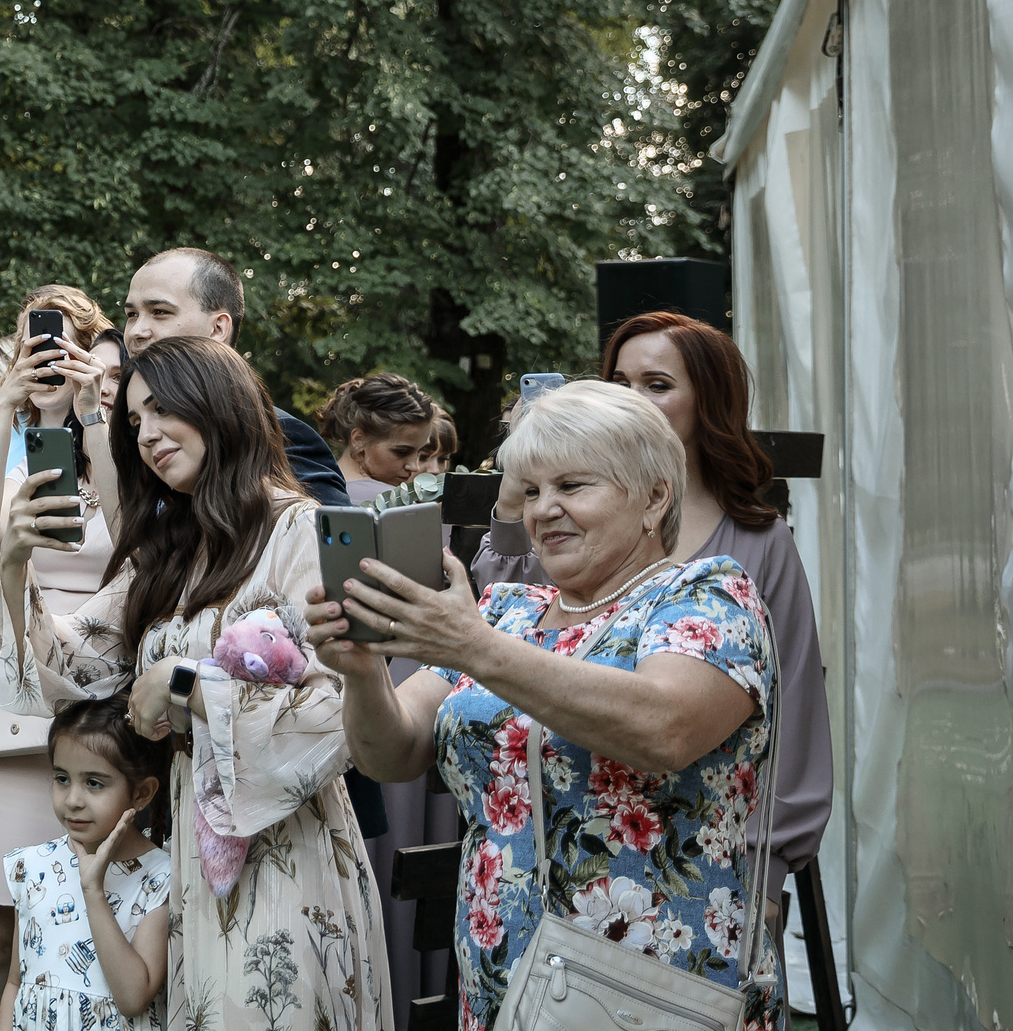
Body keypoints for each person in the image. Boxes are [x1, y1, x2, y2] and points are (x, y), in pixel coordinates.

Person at [314, 379, 783, 1031]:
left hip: (652, 991)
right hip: (503, 985)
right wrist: (362, 671)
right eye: (532, 490)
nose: (544, 509)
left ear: (654, 497)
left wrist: (475, 649)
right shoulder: (506, 609)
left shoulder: (706, 595)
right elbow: (391, 752)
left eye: (573, 485)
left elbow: (665, 725)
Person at [0, 336, 387, 1031]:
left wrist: (183, 686)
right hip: (189, 857)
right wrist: (17, 561)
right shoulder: (175, 550)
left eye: (159, 410)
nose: (145, 434)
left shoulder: (306, 532)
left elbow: (337, 715)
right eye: (133, 421)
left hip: (284, 855)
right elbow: (78, 665)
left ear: (219, 404)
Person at [472, 313, 832, 894]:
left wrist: (767, 866)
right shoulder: (571, 518)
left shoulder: (758, 542)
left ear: (707, 403)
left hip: (704, 872)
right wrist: (516, 500)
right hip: (550, 850)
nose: (632, 397)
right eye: (619, 382)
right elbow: (499, 607)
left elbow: (793, 703)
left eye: (657, 384)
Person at [0, 288, 122, 1031]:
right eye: (31, 343)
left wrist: (92, 412)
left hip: (99, 694)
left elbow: (133, 531)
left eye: (58, 343)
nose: (45, 356)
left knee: (85, 918)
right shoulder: (11, 445)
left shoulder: (120, 438)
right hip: (17, 686)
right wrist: (2, 409)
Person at [319, 371, 452, 1030]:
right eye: (405, 452)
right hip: (402, 679)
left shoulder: (307, 501)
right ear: (358, 437)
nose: (415, 467)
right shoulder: (398, 511)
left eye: (425, 454)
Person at [120, 248, 349, 504]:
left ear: (218, 328)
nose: (136, 332)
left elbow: (332, 537)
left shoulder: (277, 435)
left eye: (160, 311)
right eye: (131, 315)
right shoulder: (145, 436)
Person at [0, 696, 173, 1031]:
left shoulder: (160, 878)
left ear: (142, 793)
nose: (73, 800)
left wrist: (93, 890)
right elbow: (15, 983)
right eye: (62, 778)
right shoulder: (33, 865)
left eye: (94, 783)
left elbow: (133, 998)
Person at [320, 374, 436, 495]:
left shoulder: (311, 490)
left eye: (420, 453)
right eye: (401, 452)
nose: (414, 466)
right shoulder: (392, 503)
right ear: (359, 439)